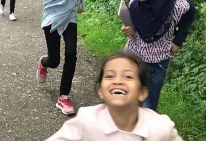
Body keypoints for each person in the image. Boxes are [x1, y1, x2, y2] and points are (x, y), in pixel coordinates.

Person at [46, 52, 183, 141]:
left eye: (128, 76)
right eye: (110, 76)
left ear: (142, 93)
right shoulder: (87, 120)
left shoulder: (160, 128)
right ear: (100, 91)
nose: (118, 81)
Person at [37, 0, 105, 115]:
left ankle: (64, 96)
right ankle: (43, 63)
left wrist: (81, 3)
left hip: (69, 16)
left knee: (71, 54)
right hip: (52, 15)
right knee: (55, 61)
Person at [122, 0, 196, 111]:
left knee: (148, 106)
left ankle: (145, 132)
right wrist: (127, 28)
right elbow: (131, 26)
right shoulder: (134, 5)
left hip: (158, 64)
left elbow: (191, 13)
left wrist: (178, 40)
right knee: (128, 99)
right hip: (133, 59)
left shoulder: (177, 7)